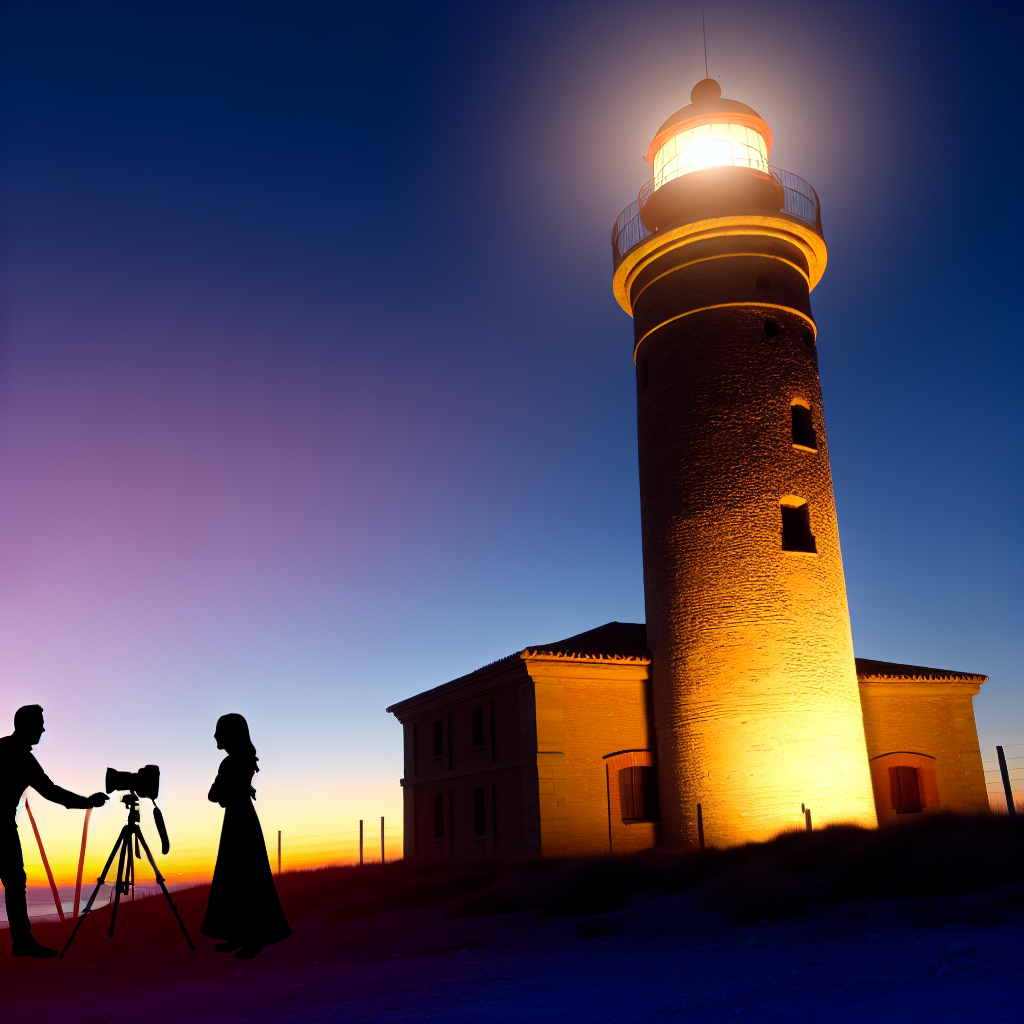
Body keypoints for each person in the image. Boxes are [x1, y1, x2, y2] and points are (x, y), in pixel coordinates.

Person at [0, 705, 108, 958]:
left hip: (5, 827)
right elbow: (52, 792)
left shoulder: (4, 748)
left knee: (16, 884)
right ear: (26, 726)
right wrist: (87, 801)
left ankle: (22, 941)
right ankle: (23, 941)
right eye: (39, 724)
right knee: (15, 885)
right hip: (2, 829)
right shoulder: (22, 758)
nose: (43, 728)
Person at [201, 714, 290, 959]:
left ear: (230, 734)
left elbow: (215, 795)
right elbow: (220, 794)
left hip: (238, 821)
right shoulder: (241, 761)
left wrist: (224, 792)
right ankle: (240, 935)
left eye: (219, 731)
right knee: (239, 878)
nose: (215, 736)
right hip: (242, 819)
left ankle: (249, 938)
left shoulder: (230, 763)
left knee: (243, 879)